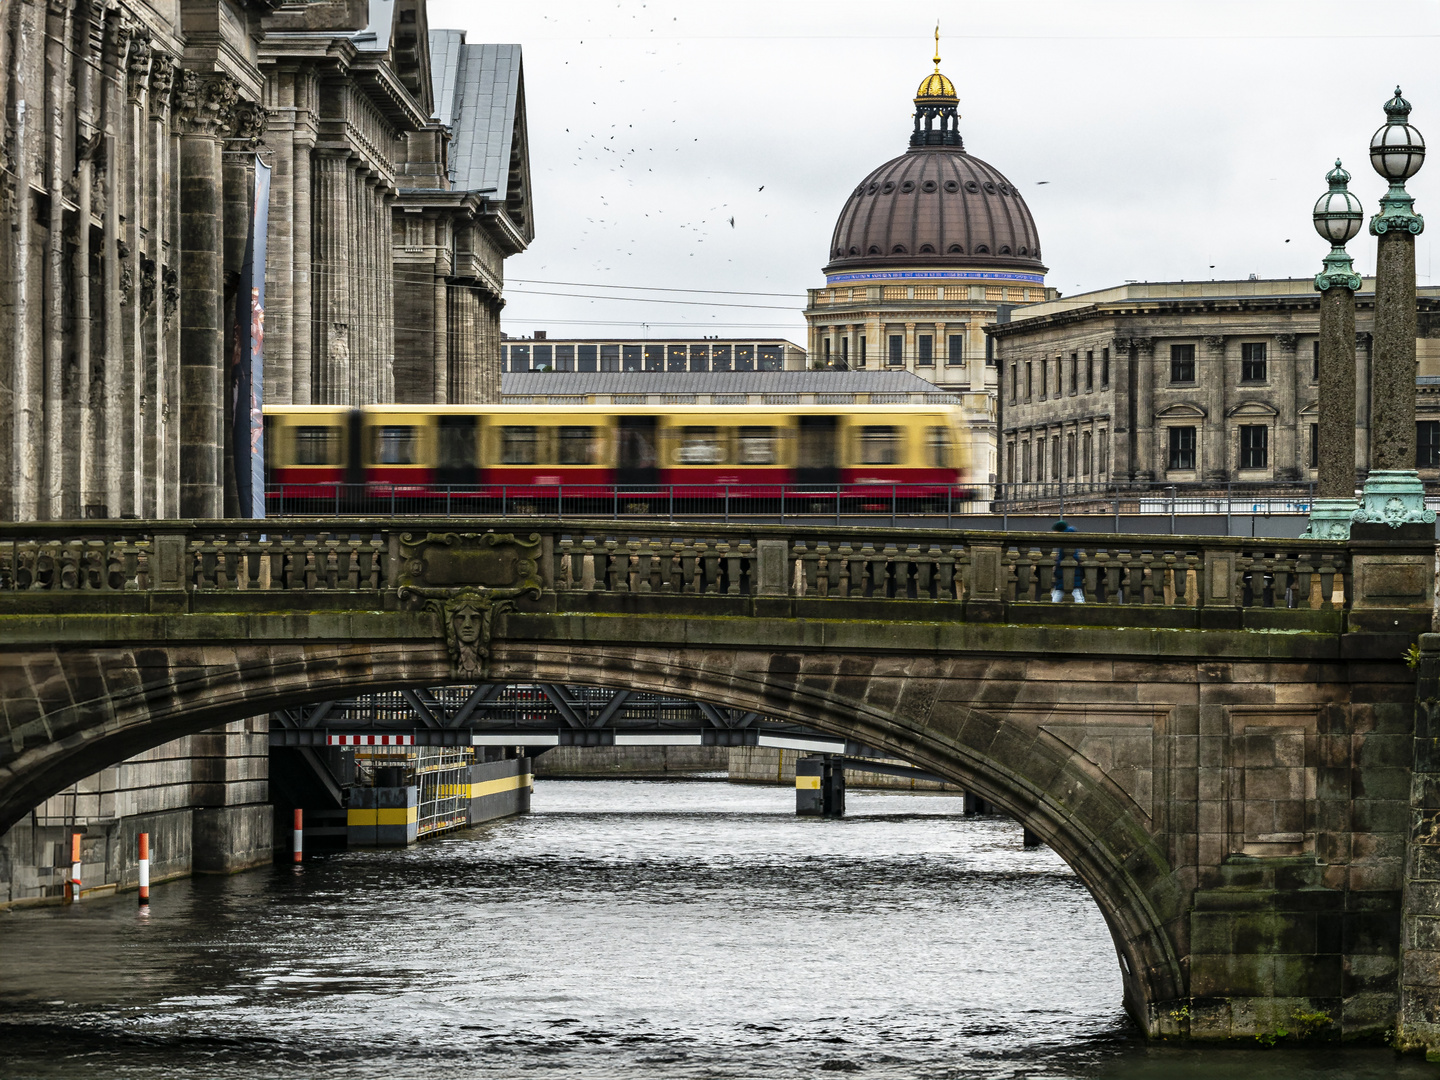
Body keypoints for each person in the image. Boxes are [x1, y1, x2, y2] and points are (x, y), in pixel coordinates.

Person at [1050, 519, 1084, 604]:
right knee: (1077, 596)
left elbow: (1073, 557)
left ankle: (1048, 612)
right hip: (1070, 575)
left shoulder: (1065, 542)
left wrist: (1058, 564)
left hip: (1066, 574)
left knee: (1056, 596)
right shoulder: (1068, 541)